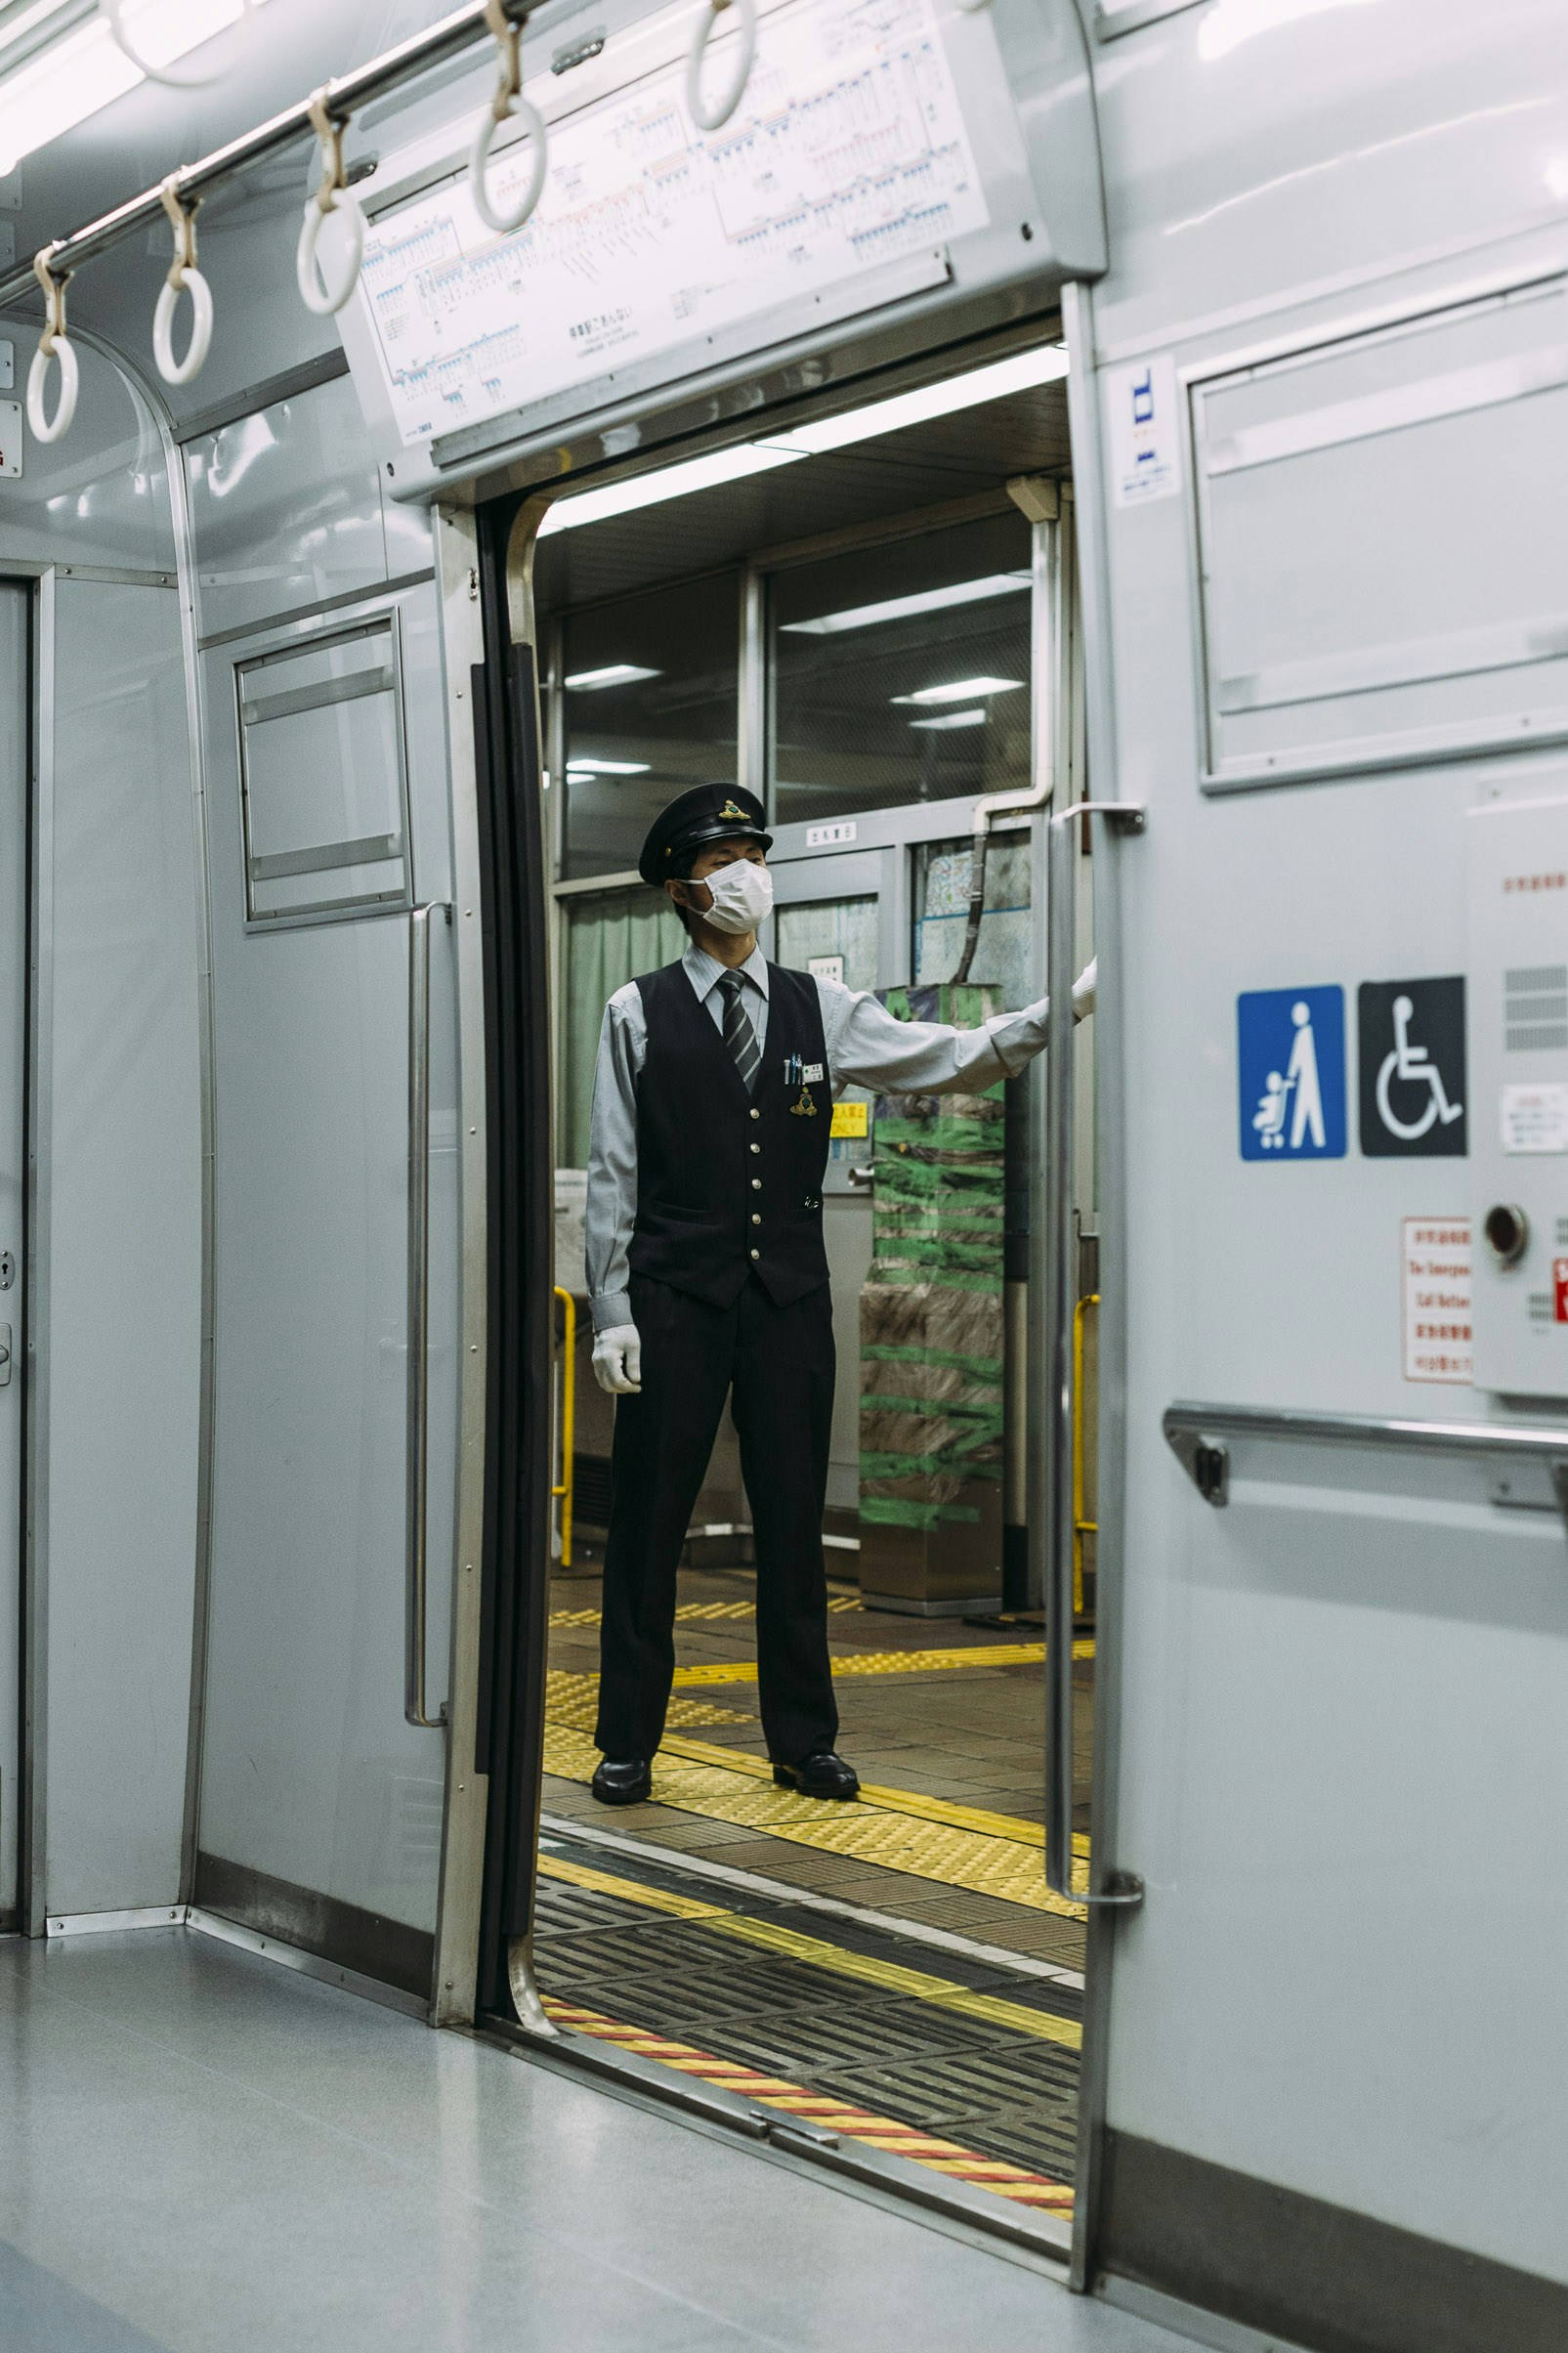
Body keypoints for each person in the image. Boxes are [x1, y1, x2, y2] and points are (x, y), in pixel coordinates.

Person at [584, 783, 1094, 1806]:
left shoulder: (823, 1007)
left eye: (755, 855)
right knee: (648, 1526)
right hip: (675, 1303)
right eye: (726, 860)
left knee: (791, 1526)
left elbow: (946, 1058)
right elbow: (614, 1173)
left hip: (787, 1307)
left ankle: (803, 1739)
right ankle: (627, 1737)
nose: (747, 876)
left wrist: (1052, 1015)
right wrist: (612, 1310)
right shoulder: (635, 1010)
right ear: (684, 888)